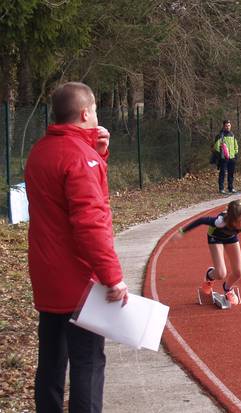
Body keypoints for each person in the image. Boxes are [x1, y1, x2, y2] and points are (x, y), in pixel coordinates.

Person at [25, 82, 129, 413]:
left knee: (52, 363)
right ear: (86, 113)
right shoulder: (80, 159)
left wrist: (97, 152)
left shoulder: (40, 151)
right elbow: (90, 223)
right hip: (79, 282)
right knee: (87, 363)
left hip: (47, 275)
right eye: (95, 109)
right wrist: (112, 277)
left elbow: (59, 204)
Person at [177, 199, 241, 305]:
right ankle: (210, 276)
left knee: (238, 272)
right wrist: (182, 231)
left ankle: (227, 289)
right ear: (230, 220)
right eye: (237, 222)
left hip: (230, 238)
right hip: (215, 238)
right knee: (221, 273)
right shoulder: (220, 222)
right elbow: (201, 220)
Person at [213, 120, 239, 193]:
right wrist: (221, 155)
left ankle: (230, 188)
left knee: (231, 173)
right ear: (224, 126)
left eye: (229, 125)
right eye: (226, 125)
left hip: (232, 158)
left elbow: (236, 145)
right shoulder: (220, 135)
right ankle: (221, 188)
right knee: (222, 173)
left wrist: (236, 154)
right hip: (224, 158)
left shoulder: (232, 135)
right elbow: (216, 146)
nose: (228, 127)